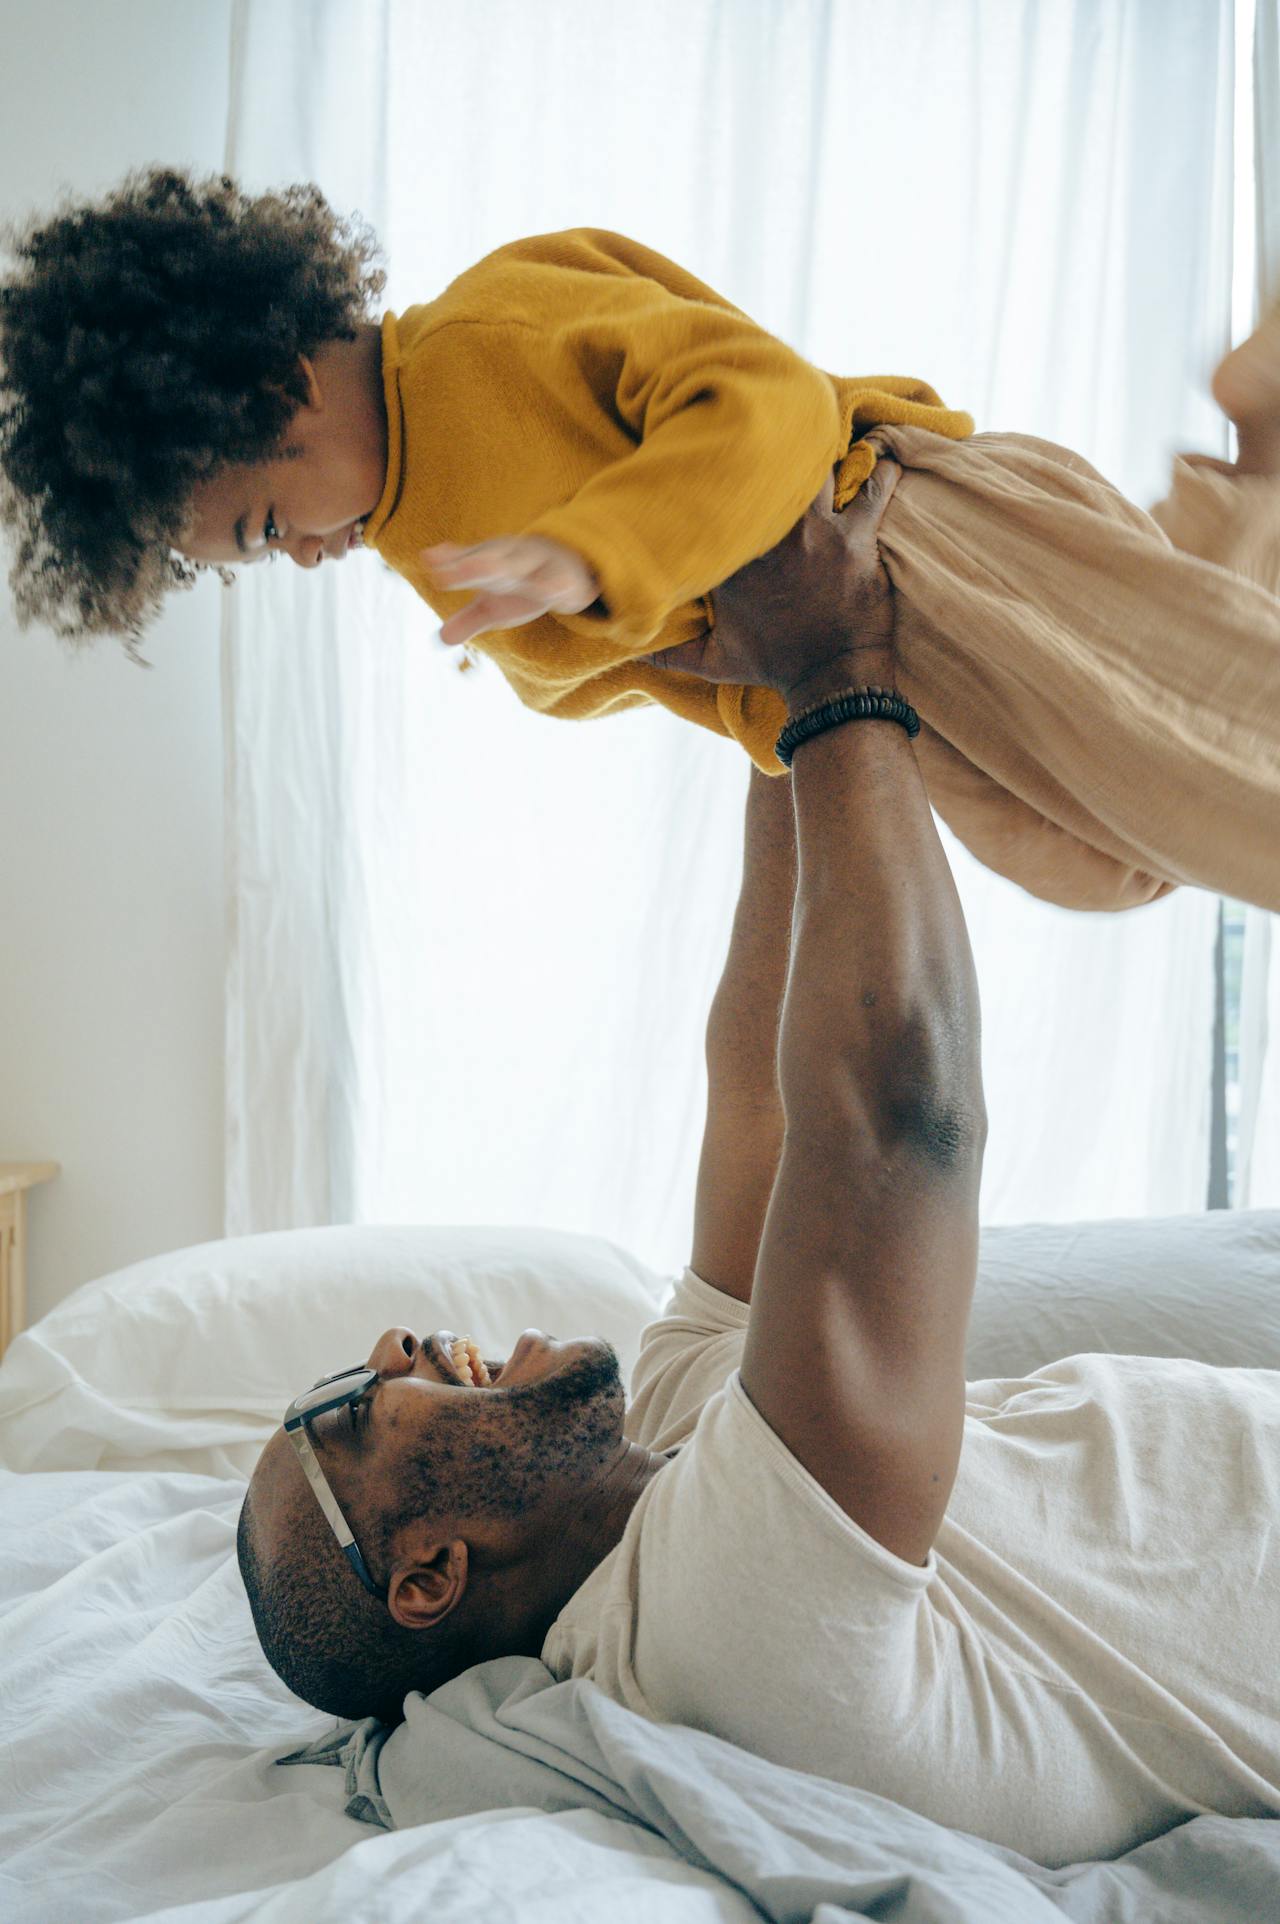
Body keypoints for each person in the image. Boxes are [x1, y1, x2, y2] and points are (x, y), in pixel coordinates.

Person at [236, 465, 1280, 1870]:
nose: (395, 1344)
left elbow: (766, 1115)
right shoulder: (717, 1627)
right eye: (361, 1412)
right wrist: (840, 671)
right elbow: (903, 1120)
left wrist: (761, 698)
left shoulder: (656, 1449)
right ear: (425, 1575)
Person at [1, 166, 1277, 912]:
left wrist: (595, 548)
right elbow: (670, 669)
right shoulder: (416, 544)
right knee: (1116, 865)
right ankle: (1252, 473)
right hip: (868, 671)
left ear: (276, 390)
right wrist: (792, 712)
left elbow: (764, 403)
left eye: (265, 523)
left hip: (903, 538)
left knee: (1227, 774)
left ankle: (1253, 435)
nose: (292, 554)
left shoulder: (482, 339)